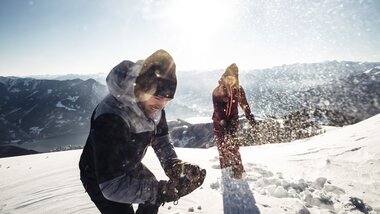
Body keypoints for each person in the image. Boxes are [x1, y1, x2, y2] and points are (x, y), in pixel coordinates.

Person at [79, 49, 206, 214]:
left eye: (167, 100)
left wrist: (173, 165)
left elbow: (161, 140)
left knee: (151, 194)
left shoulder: (154, 108)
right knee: (134, 203)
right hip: (100, 177)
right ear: (142, 88)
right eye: (158, 97)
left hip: (129, 163)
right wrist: (163, 192)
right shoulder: (112, 116)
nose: (161, 105)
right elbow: (111, 187)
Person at [212, 63, 256, 179]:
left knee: (234, 146)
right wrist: (224, 123)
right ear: (224, 77)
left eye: (233, 78)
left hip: (233, 122)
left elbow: (244, 104)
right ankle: (226, 171)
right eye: (229, 78)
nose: (231, 81)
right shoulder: (217, 91)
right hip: (219, 123)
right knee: (222, 146)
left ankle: (238, 172)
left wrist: (249, 116)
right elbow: (218, 110)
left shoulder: (239, 90)